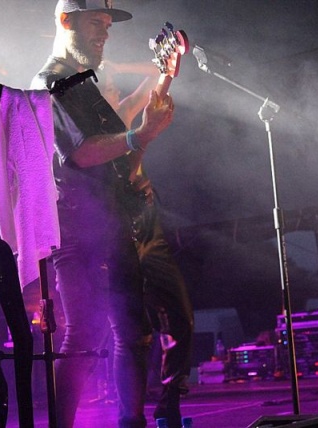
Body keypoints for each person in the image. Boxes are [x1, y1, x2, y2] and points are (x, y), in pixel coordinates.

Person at [29, 1, 175, 427]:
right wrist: (138, 136)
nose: (105, 34)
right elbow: (81, 153)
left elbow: (118, 142)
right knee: (84, 336)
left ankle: (132, 422)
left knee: (134, 333)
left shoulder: (82, 82)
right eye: (96, 23)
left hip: (109, 224)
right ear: (65, 20)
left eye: (108, 26)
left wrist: (164, 80)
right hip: (77, 230)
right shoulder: (51, 82)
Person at [97, 61, 194, 428]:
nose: (117, 90)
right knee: (133, 334)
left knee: (180, 319)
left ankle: (169, 406)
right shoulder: (91, 136)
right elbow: (125, 173)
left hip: (149, 230)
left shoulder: (123, 113)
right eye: (109, 85)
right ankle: (130, 418)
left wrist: (166, 66)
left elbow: (152, 87)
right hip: (118, 232)